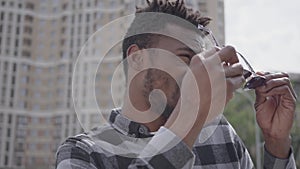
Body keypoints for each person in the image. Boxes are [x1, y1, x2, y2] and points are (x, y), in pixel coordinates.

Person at [55, 0, 297, 168]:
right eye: (185, 58)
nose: (197, 72)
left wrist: (276, 142)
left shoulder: (221, 134)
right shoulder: (84, 152)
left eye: (200, 61)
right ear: (138, 58)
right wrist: (190, 112)